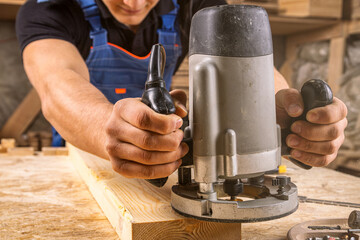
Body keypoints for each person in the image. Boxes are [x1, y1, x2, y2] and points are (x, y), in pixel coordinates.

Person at [16, 0, 348, 180]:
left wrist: (276, 111)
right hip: (84, 151)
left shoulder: (193, 6)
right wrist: (108, 130)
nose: (133, 3)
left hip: (165, 150)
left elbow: (247, 65)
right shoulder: (49, 9)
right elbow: (57, 86)